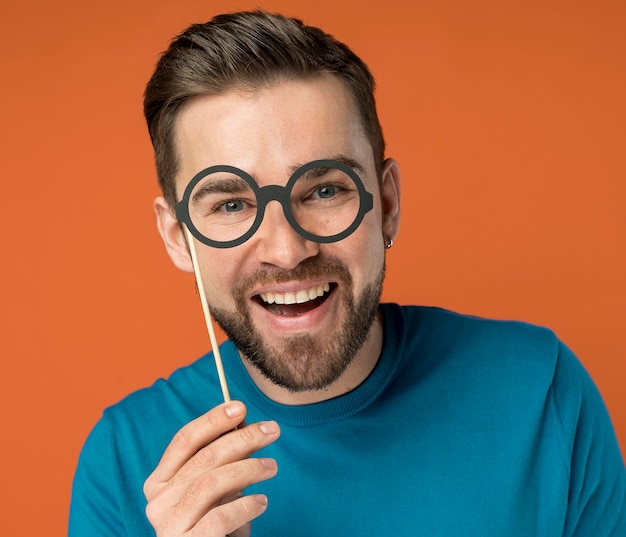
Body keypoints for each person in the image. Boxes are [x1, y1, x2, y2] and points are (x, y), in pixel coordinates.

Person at [69, 10, 626, 536]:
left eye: (325, 189)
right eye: (231, 204)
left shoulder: (539, 389)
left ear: (385, 202)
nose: (287, 251)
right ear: (178, 237)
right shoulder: (123, 462)